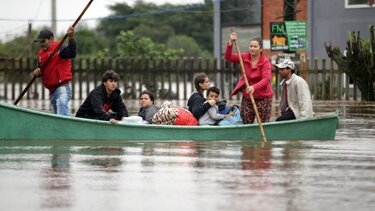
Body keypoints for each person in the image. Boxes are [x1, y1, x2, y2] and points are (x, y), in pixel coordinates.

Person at [225, 32, 273, 124]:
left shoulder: (265, 62)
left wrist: (254, 87)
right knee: (246, 120)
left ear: (261, 49)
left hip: (263, 96)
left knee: (264, 122)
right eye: (251, 46)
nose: (252, 48)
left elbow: (266, 79)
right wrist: (230, 42)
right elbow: (228, 57)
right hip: (248, 95)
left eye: (255, 46)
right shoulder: (244, 57)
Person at [33, 26, 76, 116]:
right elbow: (41, 69)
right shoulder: (40, 54)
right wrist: (37, 72)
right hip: (51, 92)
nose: (41, 44)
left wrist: (71, 38)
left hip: (62, 88)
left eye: (43, 41)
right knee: (55, 116)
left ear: (51, 39)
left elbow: (72, 53)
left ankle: (64, 128)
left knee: (62, 104)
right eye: (40, 42)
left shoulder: (60, 48)